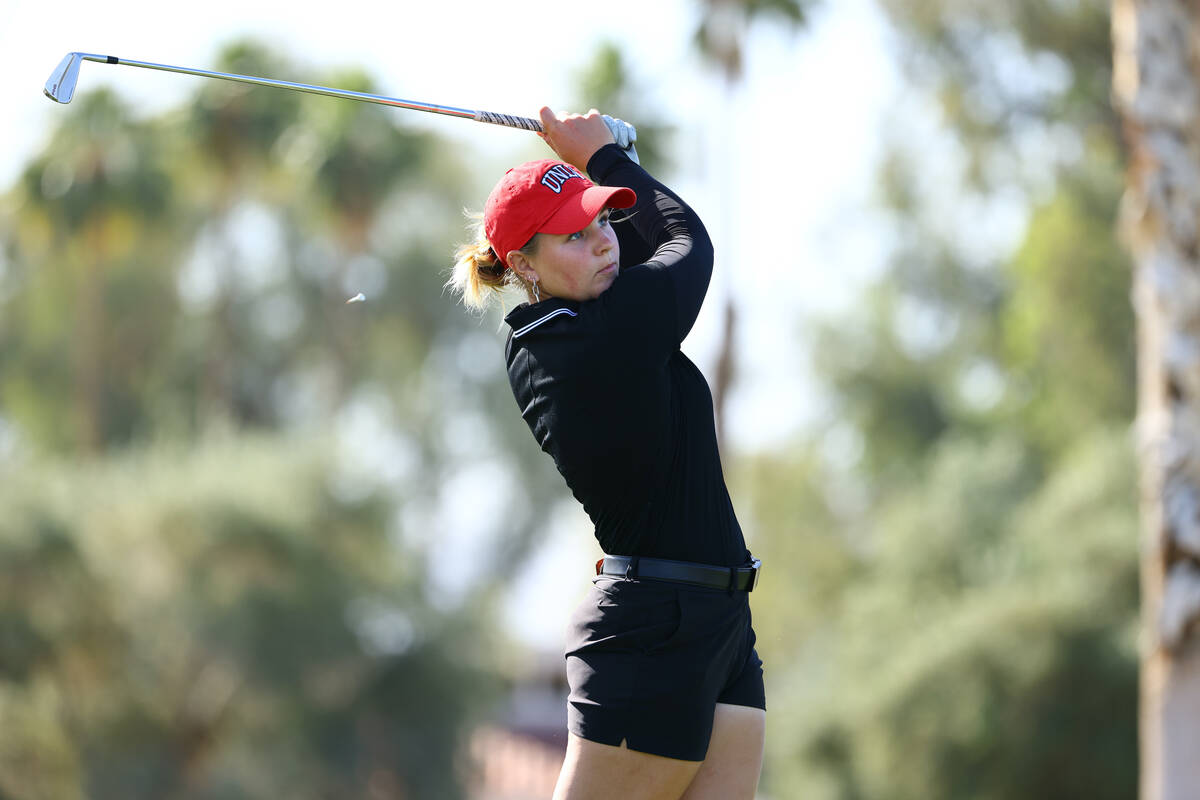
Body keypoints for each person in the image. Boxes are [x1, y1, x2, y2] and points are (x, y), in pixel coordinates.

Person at [447, 107, 765, 800]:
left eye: (601, 221)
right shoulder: (580, 339)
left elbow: (647, 247)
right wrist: (604, 158)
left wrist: (608, 165)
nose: (601, 244)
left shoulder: (590, 318)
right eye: (573, 235)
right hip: (652, 627)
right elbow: (686, 242)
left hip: (720, 620)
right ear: (522, 264)